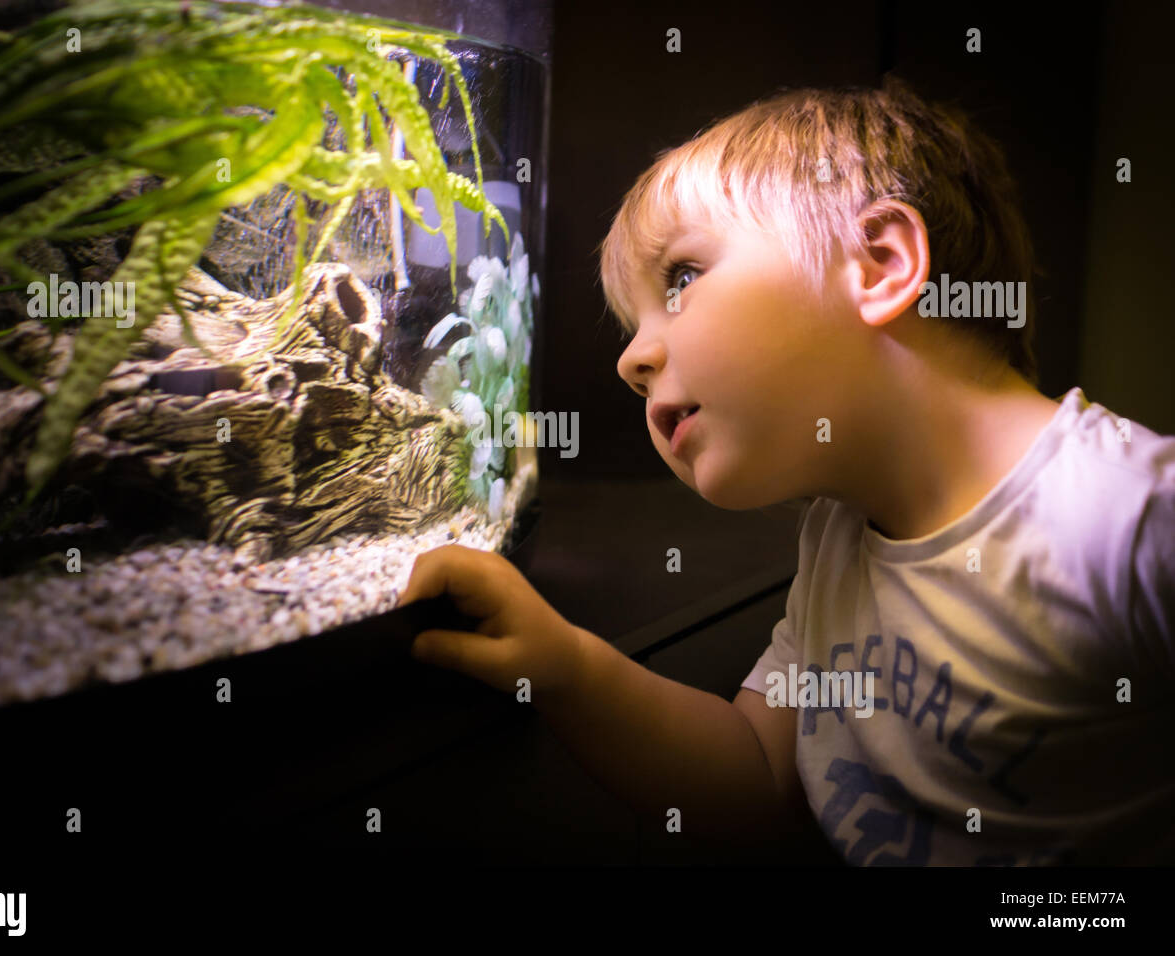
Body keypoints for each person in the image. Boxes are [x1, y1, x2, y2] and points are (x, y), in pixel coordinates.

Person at [397, 77, 1175, 865]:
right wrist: (566, 666)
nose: (632, 360)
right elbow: (764, 774)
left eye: (683, 279)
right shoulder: (837, 542)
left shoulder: (1130, 514)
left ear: (880, 263)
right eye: (635, 327)